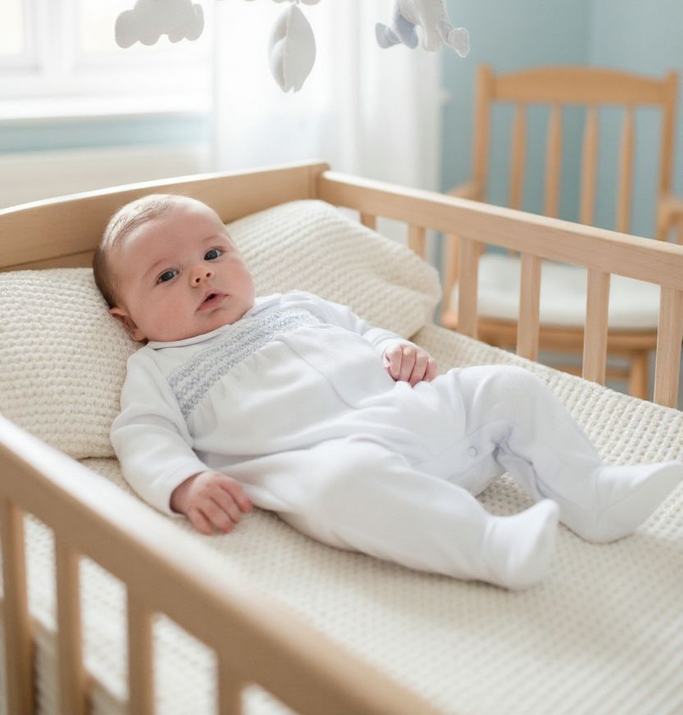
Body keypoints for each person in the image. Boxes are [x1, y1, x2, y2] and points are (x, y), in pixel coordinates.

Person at [96, 193, 683, 591]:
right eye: (168, 275)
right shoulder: (159, 369)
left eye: (214, 253)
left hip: (415, 416)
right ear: (130, 322)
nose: (202, 273)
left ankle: (592, 493)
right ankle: (488, 546)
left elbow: (362, 329)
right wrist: (185, 482)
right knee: (341, 488)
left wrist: (390, 348)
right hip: (339, 460)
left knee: (505, 385)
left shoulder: (296, 306)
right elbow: (144, 435)